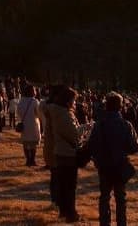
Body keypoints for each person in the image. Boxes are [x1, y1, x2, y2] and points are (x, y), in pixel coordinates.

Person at [87, 92, 138, 226]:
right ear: (120, 107)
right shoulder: (126, 125)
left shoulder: (99, 125)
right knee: (120, 198)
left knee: (104, 197)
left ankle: (104, 223)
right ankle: (122, 223)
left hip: (104, 165)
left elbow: (92, 145)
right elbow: (134, 147)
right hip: (120, 164)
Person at [49, 86, 84, 223]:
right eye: (74, 100)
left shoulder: (59, 112)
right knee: (69, 186)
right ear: (68, 101)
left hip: (61, 152)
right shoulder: (64, 114)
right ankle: (70, 213)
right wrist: (86, 127)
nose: (75, 103)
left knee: (63, 185)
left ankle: (64, 211)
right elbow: (73, 134)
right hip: (67, 153)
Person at [17, 84, 41, 167]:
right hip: (33, 124)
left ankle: (28, 160)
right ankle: (32, 160)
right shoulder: (35, 101)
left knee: (26, 143)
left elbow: (19, 112)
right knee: (33, 144)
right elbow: (38, 113)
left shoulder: (21, 101)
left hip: (24, 124)